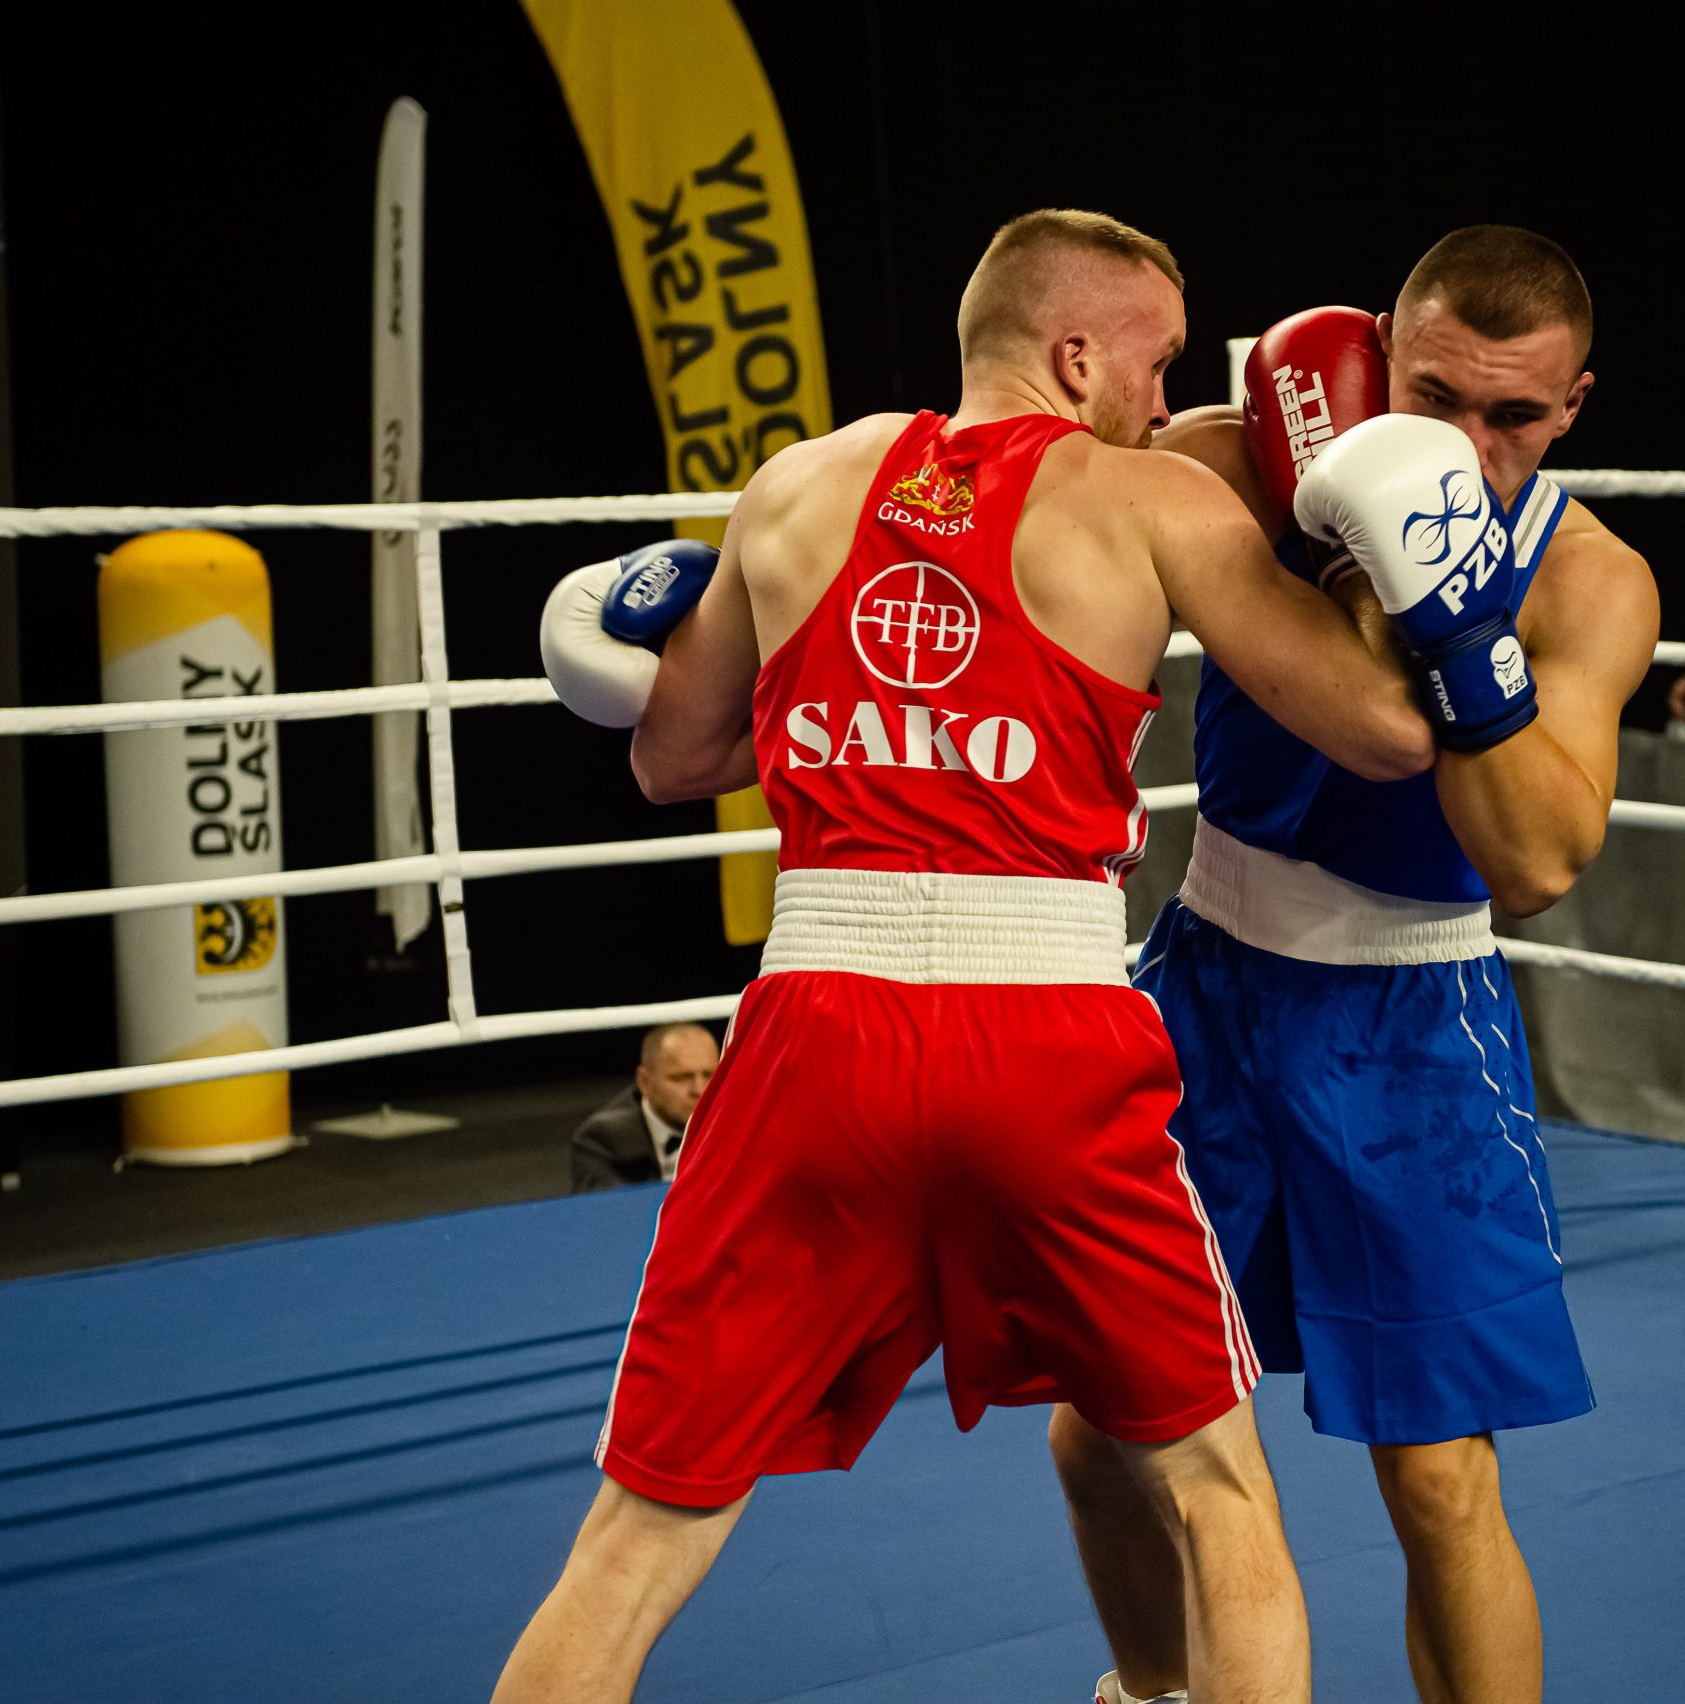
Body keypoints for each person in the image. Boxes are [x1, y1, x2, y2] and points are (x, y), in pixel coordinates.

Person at [513, 207, 1480, 1704]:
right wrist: (1413, 589)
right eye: (1155, 363)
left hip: (813, 1038)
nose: (1166, 401)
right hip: (1043, 1041)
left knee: (636, 1536)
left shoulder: (792, 487)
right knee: (1217, 1492)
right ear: (1075, 354)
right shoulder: (1150, 503)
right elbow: (1389, 733)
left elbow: (673, 759)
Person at [1057, 227, 1659, 1704]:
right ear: (1378, 351)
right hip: (1206, 983)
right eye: (1432, 398)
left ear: (1572, 406)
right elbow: (1029, 499)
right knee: (1107, 1424)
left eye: (1513, 416)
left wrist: (1455, 621)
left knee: (1439, 1479)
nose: (1467, 445)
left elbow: (1537, 863)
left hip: (1413, 1028)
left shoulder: (1587, 584)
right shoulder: (1239, 461)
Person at [566, 1022, 718, 1191]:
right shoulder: (602, 1140)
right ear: (644, 1082)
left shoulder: (735, 1123)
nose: (699, 1090)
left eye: (709, 1075)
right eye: (681, 1078)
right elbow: (610, 1206)